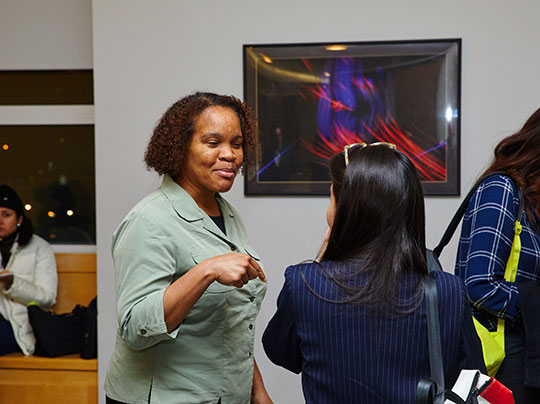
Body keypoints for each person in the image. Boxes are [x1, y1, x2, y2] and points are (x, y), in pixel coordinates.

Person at [262, 143, 485, 404]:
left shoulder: (303, 284)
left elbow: (281, 354)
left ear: (342, 208)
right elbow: (473, 378)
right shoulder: (448, 291)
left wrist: (320, 262)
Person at [104, 92, 272, 404]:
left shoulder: (226, 213)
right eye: (213, 143)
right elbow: (135, 327)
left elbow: (230, 321)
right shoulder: (149, 220)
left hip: (225, 393)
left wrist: (257, 392)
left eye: (236, 143)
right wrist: (205, 271)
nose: (230, 155)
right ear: (181, 149)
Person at [455, 107, 540, 403]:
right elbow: (478, 285)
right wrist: (533, 304)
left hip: (525, 352)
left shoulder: (531, 204)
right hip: (501, 356)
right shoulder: (501, 190)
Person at [0, 184, 57, 356]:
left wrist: (12, 283)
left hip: (20, 325)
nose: (0, 220)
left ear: (19, 219)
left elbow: (47, 298)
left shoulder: (39, 248)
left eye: (6, 215)